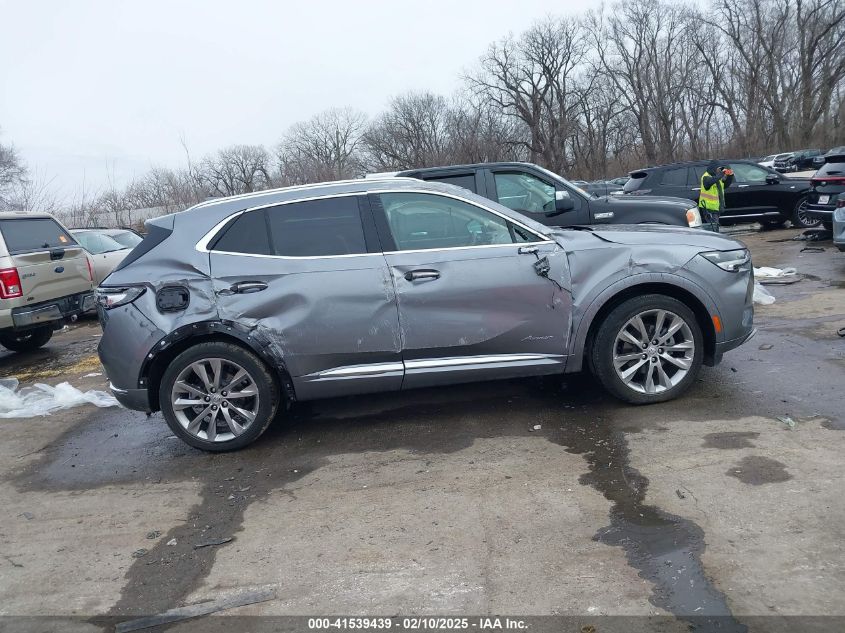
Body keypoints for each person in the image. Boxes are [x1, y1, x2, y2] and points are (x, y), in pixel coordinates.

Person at [698, 161, 734, 232]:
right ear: (713, 168)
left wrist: (730, 176)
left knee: (714, 227)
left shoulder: (717, 177)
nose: (719, 170)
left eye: (720, 169)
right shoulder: (706, 177)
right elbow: (710, 182)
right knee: (713, 229)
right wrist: (721, 174)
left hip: (716, 208)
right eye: (718, 169)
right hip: (708, 208)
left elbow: (725, 185)